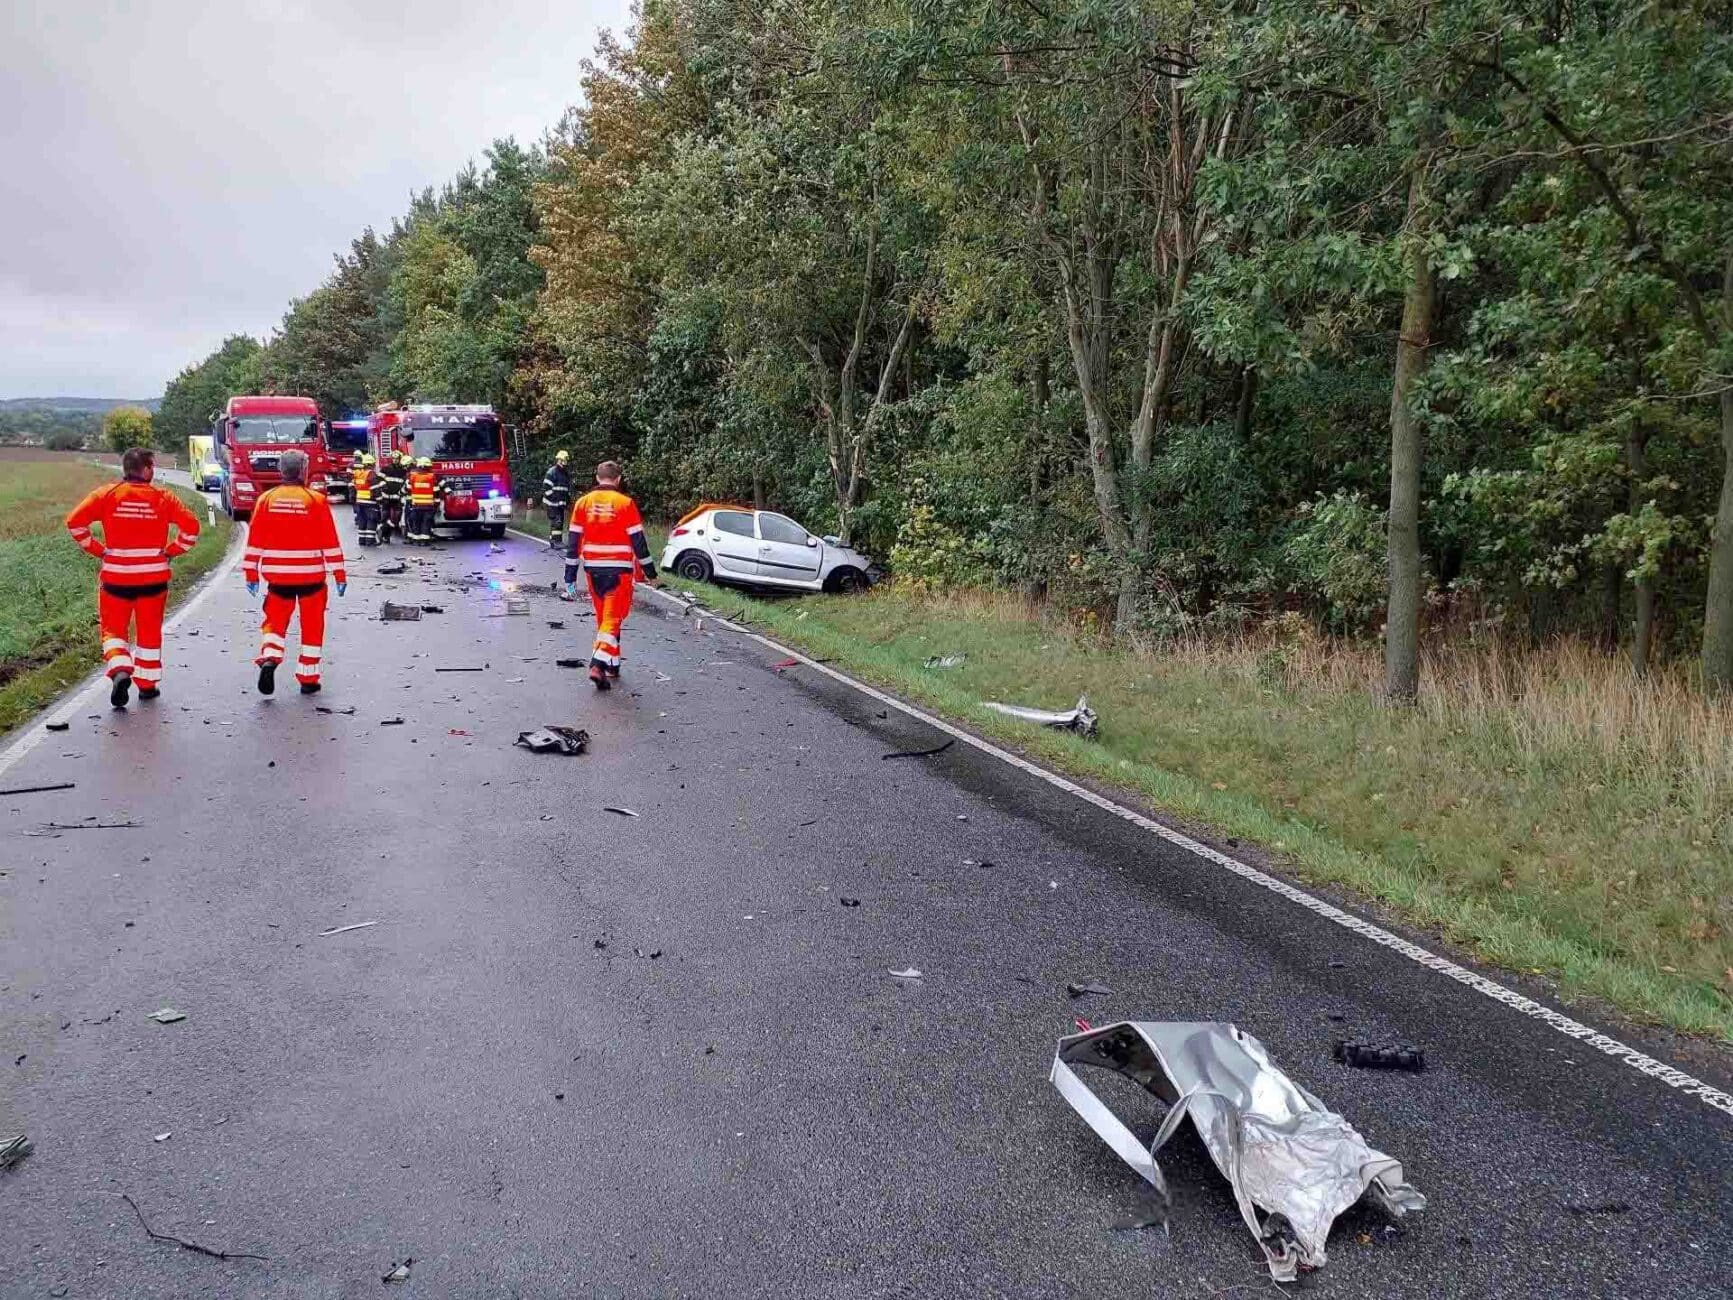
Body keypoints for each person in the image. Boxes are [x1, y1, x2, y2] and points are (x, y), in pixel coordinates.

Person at [63, 446, 201, 707]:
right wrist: (171, 551)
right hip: (154, 580)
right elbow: (191, 529)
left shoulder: (106, 494)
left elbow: (74, 523)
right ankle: (147, 687)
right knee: (149, 634)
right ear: (147, 469)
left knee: (113, 630)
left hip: (116, 579)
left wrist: (99, 550)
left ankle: (121, 669)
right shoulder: (163, 497)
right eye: (153, 466)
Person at [243, 449, 346, 695]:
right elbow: (330, 542)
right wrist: (339, 575)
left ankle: (270, 657)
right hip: (311, 578)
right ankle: (308, 679)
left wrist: (251, 574)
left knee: (274, 623)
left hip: (278, 579)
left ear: (281, 471)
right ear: (303, 470)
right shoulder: (316, 500)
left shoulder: (266, 499)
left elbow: (254, 540)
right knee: (312, 627)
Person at [562, 460, 656, 690]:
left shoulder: (582, 503)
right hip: (619, 570)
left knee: (604, 619)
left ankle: (612, 665)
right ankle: (597, 664)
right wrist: (651, 572)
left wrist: (570, 577)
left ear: (597, 478)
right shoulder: (625, 503)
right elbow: (639, 543)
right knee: (614, 618)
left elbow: (573, 543)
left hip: (592, 569)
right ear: (618, 479)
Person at [405, 456, 444, 545]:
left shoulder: (413, 476)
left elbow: (408, 490)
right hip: (428, 506)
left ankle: (416, 540)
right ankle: (424, 541)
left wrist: (410, 502)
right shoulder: (432, 477)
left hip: (416, 505)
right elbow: (436, 491)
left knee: (416, 522)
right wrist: (437, 504)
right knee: (426, 523)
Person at [373, 449, 406, 543]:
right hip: (386, 497)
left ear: (400, 459)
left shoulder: (403, 471)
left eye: (397, 459)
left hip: (397, 498)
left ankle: (384, 531)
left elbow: (405, 483)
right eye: (394, 458)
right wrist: (383, 485)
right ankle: (385, 536)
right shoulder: (386, 469)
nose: (395, 460)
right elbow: (378, 479)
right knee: (385, 516)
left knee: (396, 519)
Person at [542, 449, 572, 550]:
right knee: (557, 522)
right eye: (565, 459)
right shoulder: (552, 472)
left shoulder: (564, 473)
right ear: (560, 460)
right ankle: (556, 542)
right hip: (552, 503)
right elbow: (547, 488)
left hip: (560, 503)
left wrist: (567, 500)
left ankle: (554, 541)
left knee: (559, 522)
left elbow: (565, 489)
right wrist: (554, 500)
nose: (566, 461)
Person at [351, 453, 379, 546]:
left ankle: (362, 540)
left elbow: (354, 486)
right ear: (371, 464)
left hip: (359, 501)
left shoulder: (358, 473)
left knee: (362, 520)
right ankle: (370, 541)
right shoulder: (371, 474)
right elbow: (375, 488)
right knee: (371, 520)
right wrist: (380, 499)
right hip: (370, 501)